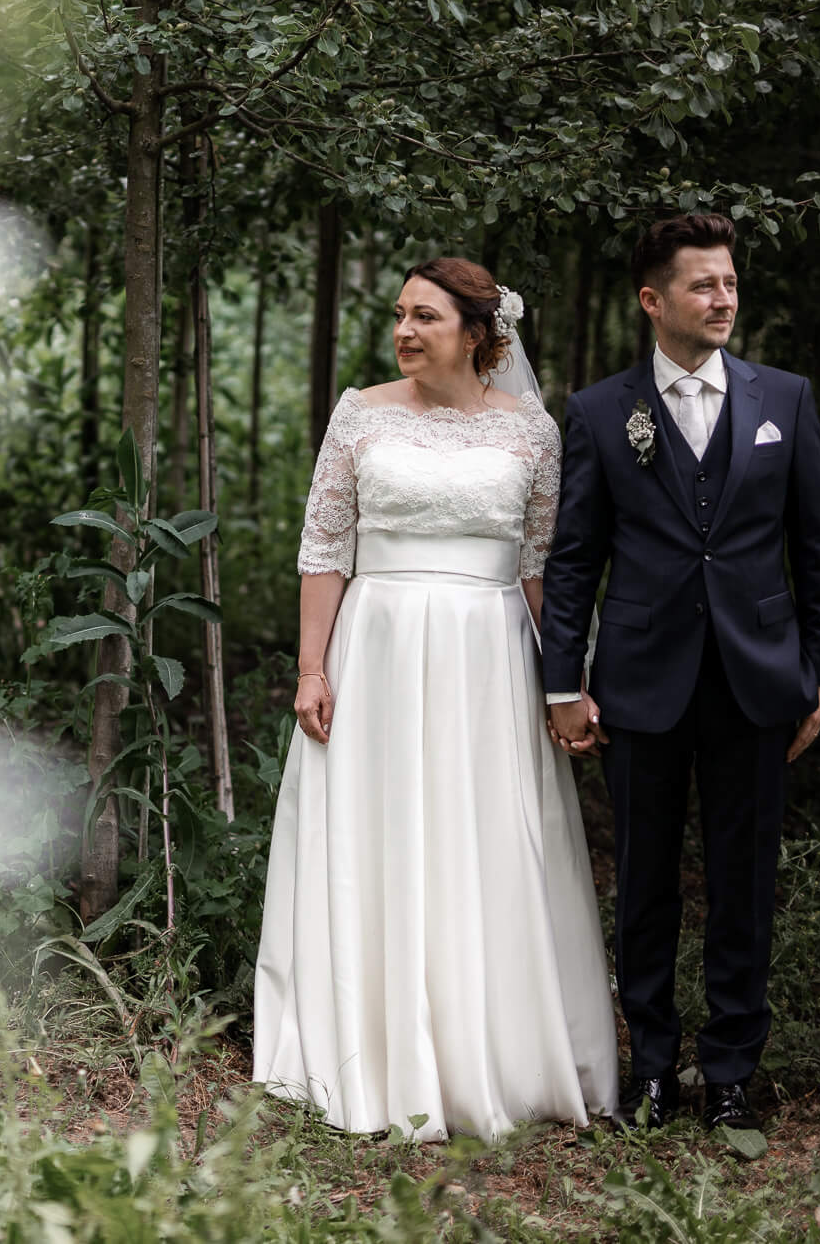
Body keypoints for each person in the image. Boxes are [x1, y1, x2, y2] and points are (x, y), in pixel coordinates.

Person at [252, 256, 618, 1142]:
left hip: (487, 658)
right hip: (375, 650)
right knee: (379, 835)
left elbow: (541, 571)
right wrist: (311, 668)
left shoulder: (531, 432)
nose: (406, 332)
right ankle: (371, 1053)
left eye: (426, 318)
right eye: (400, 316)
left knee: (485, 836)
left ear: (479, 334)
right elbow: (325, 548)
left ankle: (490, 1049)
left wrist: (568, 682)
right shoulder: (359, 414)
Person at [539, 213, 820, 1136]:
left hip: (756, 679)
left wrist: (818, 672)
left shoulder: (783, 398)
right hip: (639, 680)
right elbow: (573, 560)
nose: (724, 299)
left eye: (731, 283)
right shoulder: (599, 412)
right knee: (644, 882)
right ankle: (654, 1067)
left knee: (744, 881)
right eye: (704, 285)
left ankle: (731, 1071)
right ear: (652, 300)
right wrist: (563, 681)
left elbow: (817, 547)